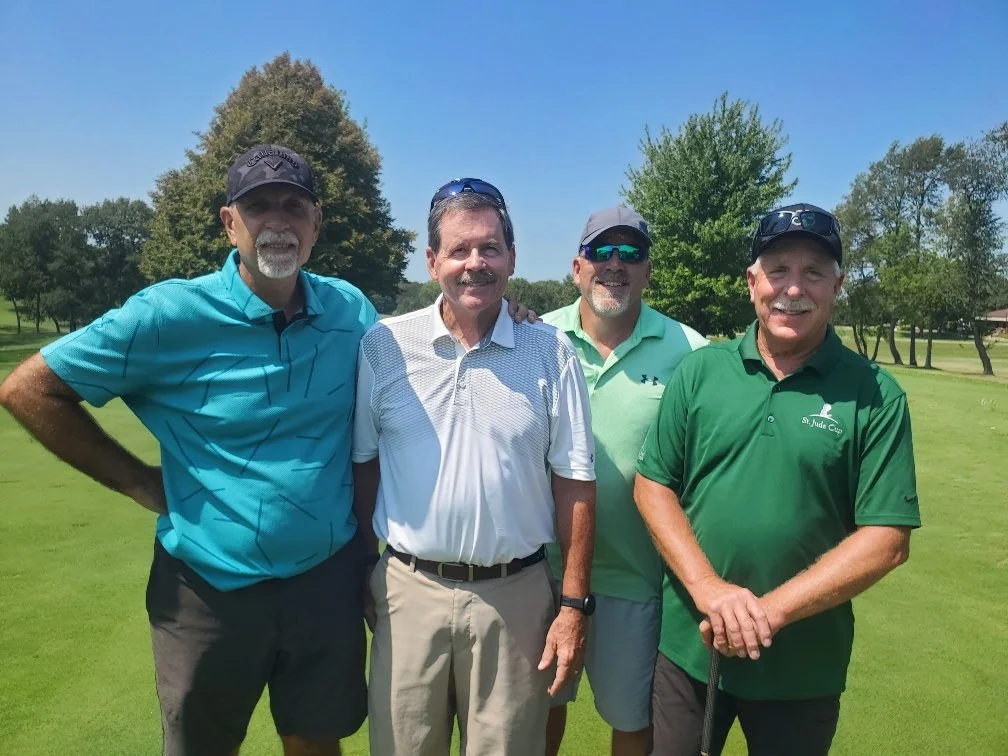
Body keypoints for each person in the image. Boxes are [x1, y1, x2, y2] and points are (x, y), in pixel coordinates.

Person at [0, 144, 378, 756]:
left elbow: (421, 356)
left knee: (316, 741)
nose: (277, 221)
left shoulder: (350, 310)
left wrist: (506, 316)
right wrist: (140, 483)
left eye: (293, 206)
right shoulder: (168, 315)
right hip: (206, 588)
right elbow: (30, 388)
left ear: (316, 224)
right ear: (230, 223)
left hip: (325, 577)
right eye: (258, 207)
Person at [634, 203, 921, 756]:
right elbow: (654, 485)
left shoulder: (875, 394)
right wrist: (709, 590)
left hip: (804, 668)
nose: (794, 289)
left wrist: (767, 614)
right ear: (752, 282)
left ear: (837, 284)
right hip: (691, 652)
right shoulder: (701, 372)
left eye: (813, 272)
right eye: (778, 270)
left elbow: (886, 539)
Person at [352, 178, 597, 756]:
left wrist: (573, 604)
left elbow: (576, 482)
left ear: (511, 258)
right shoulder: (384, 345)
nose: (475, 264)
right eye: (459, 250)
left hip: (516, 597)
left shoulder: (551, 350)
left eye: (490, 248)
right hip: (408, 591)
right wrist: (365, 566)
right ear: (433, 259)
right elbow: (366, 466)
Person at [541, 207, 706, 756]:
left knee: (632, 724)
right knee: (539, 714)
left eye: (631, 253)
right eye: (601, 252)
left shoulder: (690, 350)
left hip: (637, 579)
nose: (615, 264)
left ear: (648, 270)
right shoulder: (535, 336)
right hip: (540, 572)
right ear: (576, 266)